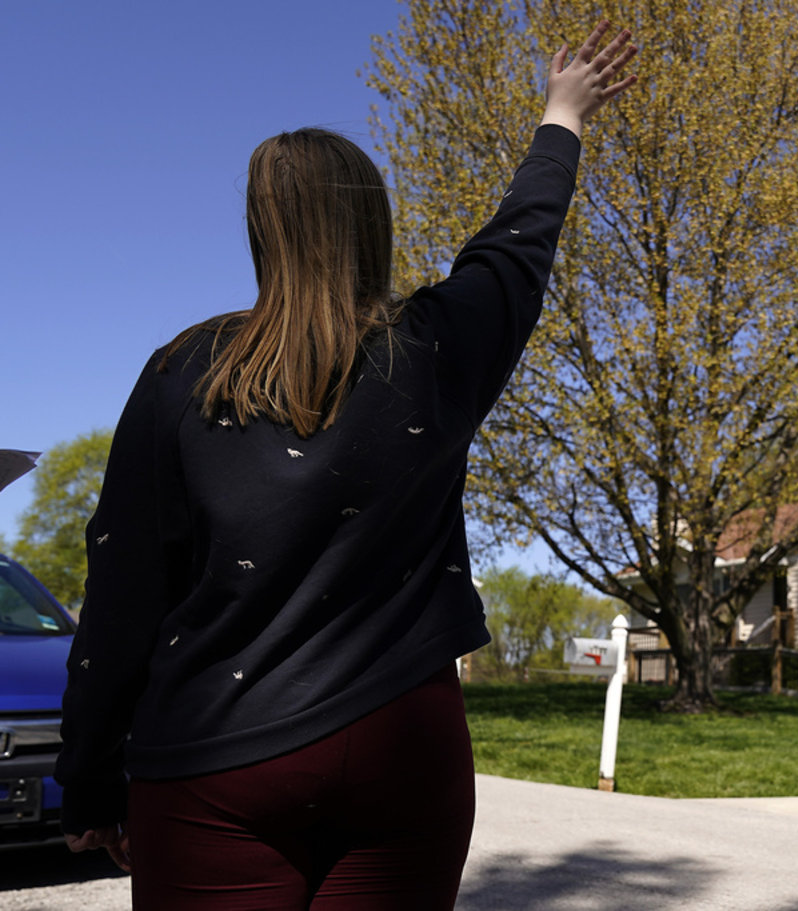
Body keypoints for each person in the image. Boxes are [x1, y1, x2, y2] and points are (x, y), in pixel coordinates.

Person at [55, 20, 638, 909]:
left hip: (216, 759)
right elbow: (519, 244)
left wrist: (91, 778)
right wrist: (562, 117)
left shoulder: (185, 374)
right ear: (375, 222)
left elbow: (124, 593)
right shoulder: (434, 352)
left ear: (261, 229)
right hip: (403, 743)